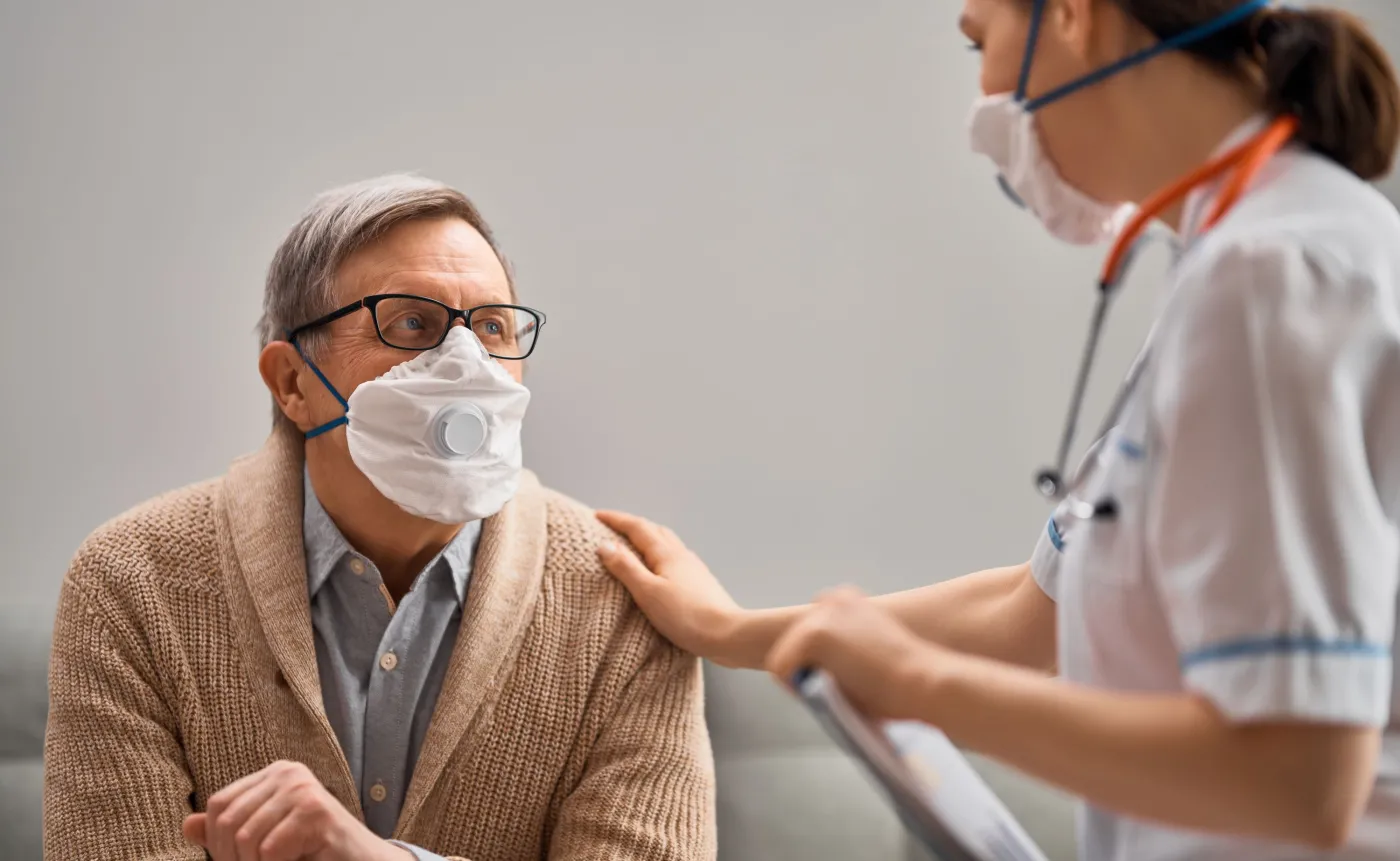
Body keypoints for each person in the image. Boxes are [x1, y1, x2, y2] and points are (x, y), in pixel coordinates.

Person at [595, 1, 1400, 858]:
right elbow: (1033, 613)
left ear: (1074, 18)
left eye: (982, 42)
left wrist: (916, 683)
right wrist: (729, 629)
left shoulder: (1269, 273)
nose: (983, 91)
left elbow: (1300, 779)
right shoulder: (1254, 259)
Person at [44, 174, 716, 861]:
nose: (466, 364)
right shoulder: (132, 584)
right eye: (411, 323)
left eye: (491, 326)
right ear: (294, 383)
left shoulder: (624, 595)